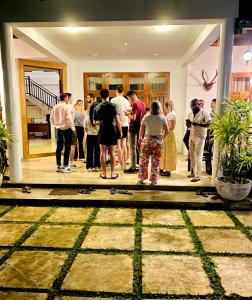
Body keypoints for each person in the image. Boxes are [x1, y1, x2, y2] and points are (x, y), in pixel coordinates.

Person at [138, 100, 168, 185]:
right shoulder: (162, 118)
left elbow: (142, 129)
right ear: (159, 108)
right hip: (158, 141)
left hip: (147, 140)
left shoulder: (146, 117)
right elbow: (167, 131)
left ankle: (141, 178)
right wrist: (162, 138)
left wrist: (140, 138)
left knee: (143, 160)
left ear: (151, 107)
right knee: (156, 161)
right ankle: (154, 180)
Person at [94, 89, 122, 179]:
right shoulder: (114, 105)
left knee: (102, 153)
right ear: (108, 96)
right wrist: (120, 132)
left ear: (100, 96)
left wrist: (101, 122)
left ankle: (104, 173)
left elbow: (94, 122)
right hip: (112, 129)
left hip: (103, 130)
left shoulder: (97, 107)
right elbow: (117, 120)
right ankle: (113, 174)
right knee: (113, 152)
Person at [187, 98, 211, 182]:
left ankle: (197, 176)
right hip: (192, 135)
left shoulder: (204, 113)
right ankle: (193, 172)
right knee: (192, 155)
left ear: (198, 105)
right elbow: (189, 126)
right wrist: (188, 124)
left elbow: (209, 123)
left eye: (194, 106)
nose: (193, 108)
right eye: (191, 107)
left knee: (198, 155)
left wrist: (199, 124)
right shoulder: (190, 114)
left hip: (200, 137)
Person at [50, 93, 75, 173]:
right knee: (67, 148)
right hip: (67, 129)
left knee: (59, 147)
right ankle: (65, 166)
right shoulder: (67, 106)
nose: (68, 99)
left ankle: (58, 165)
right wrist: (73, 128)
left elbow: (51, 118)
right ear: (65, 98)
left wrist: (56, 125)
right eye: (67, 97)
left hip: (59, 129)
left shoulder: (55, 106)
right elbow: (69, 118)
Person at [124, 90, 146, 173]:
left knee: (132, 148)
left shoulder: (135, 104)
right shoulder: (142, 103)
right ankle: (140, 165)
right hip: (140, 128)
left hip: (133, 129)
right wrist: (131, 112)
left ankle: (133, 167)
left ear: (131, 96)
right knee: (139, 148)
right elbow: (140, 115)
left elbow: (134, 118)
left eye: (129, 98)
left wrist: (127, 114)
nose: (129, 100)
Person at [111, 86, 131, 170]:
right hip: (125, 123)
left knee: (118, 145)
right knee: (124, 144)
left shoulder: (113, 100)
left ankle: (120, 163)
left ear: (116, 91)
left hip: (116, 124)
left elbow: (112, 113)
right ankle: (125, 162)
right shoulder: (126, 100)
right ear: (123, 92)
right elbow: (129, 111)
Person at [160, 100, 177, 176]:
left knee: (168, 152)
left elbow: (171, 126)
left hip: (169, 134)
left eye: (166, 107)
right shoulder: (170, 114)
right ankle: (163, 168)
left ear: (168, 106)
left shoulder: (171, 114)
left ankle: (168, 170)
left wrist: (163, 127)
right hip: (167, 134)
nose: (165, 109)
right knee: (165, 152)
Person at [84, 102, 100, 171]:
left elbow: (85, 128)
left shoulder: (87, 118)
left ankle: (89, 167)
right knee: (97, 151)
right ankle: (96, 166)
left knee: (89, 151)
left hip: (89, 135)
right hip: (97, 136)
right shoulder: (99, 118)